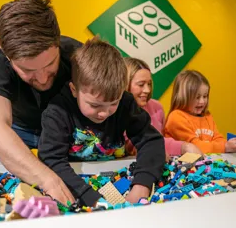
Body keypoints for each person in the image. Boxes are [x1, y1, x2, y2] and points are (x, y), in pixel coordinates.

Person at [0, 0, 82, 204]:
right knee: (6, 191)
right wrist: (47, 179)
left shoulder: (77, 53)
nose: (43, 79)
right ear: (7, 54)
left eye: (50, 64)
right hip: (16, 130)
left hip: (61, 129)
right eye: (28, 70)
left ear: (57, 42)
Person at [38, 37, 165, 207]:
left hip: (114, 174)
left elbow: (151, 140)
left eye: (114, 103)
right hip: (74, 181)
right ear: (74, 90)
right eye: (95, 105)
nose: (104, 113)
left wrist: (142, 184)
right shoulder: (57, 112)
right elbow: (51, 159)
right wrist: (86, 196)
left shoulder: (126, 103)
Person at [123, 57, 202, 157]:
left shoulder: (157, 107)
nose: (147, 90)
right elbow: (138, 145)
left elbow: (161, 140)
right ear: (125, 84)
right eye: (141, 84)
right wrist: (183, 147)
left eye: (149, 84)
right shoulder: (118, 111)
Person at [164, 70, 236, 154]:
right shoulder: (176, 117)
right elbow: (194, 146)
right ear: (183, 97)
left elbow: (217, 139)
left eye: (205, 96)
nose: (202, 101)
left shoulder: (207, 115)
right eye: (197, 97)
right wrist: (225, 147)